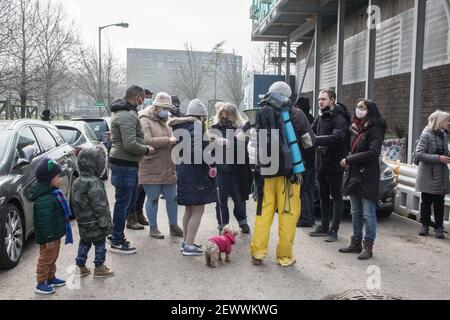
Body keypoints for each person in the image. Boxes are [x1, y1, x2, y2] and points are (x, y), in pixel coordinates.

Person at [251, 82, 315, 267]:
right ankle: (284, 257)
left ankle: (258, 253)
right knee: (288, 215)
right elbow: (310, 141)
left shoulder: (260, 112)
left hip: (265, 173)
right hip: (290, 174)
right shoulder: (296, 114)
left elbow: (250, 141)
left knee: (264, 214)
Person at [339, 99, 386, 260]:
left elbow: (373, 153)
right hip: (354, 175)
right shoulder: (356, 128)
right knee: (355, 211)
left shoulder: (376, 128)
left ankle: (368, 245)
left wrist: (349, 159)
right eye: (357, 107)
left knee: (368, 214)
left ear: (370, 110)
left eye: (362, 107)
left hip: (367, 176)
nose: (358, 109)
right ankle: (356, 241)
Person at [168, 99, 216, 256]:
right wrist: (210, 161)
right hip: (195, 172)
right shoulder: (195, 126)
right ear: (201, 116)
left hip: (184, 169)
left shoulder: (181, 126)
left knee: (189, 208)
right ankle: (189, 245)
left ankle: (185, 242)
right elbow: (198, 151)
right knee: (198, 209)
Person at [109, 85, 152, 254]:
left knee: (130, 200)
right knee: (123, 202)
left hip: (128, 164)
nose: (143, 102)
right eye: (143, 98)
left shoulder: (128, 113)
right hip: (123, 164)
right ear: (136, 98)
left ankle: (115, 233)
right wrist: (147, 150)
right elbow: (129, 144)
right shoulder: (127, 115)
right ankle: (117, 240)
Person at [139, 92, 183, 239]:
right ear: (156, 107)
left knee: (173, 198)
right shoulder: (144, 119)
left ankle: (173, 225)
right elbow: (146, 140)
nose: (166, 111)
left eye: (168, 108)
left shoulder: (167, 120)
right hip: (151, 166)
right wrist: (168, 140)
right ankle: (153, 227)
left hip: (168, 166)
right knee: (153, 199)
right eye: (164, 108)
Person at [309, 89, 351, 242]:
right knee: (323, 196)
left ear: (332, 100)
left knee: (336, 196)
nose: (320, 102)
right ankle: (324, 226)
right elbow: (311, 131)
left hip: (334, 163)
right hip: (320, 162)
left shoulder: (339, 116)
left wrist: (315, 140)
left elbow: (338, 137)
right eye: (319, 99)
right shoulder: (321, 116)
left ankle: (334, 230)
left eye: (324, 99)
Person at [29, 158, 72, 294]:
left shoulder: (52, 194)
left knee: (53, 257)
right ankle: (41, 282)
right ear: (49, 180)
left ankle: (51, 277)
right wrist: (49, 238)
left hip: (54, 235)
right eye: (58, 177)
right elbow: (45, 221)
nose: (60, 180)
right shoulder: (44, 199)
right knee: (46, 258)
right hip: (49, 236)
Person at [72, 147, 115, 277]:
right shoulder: (95, 183)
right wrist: (105, 223)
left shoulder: (77, 181)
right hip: (96, 222)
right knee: (100, 243)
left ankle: (80, 266)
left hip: (83, 222)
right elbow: (100, 205)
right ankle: (99, 267)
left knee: (84, 242)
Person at [211, 103, 252, 234]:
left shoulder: (240, 128)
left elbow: (242, 147)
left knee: (239, 198)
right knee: (220, 198)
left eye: (228, 115)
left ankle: (242, 221)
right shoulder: (214, 128)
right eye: (222, 115)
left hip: (237, 170)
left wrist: (231, 142)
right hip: (220, 169)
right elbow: (210, 148)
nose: (225, 118)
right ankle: (223, 224)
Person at [415, 110, 450, 239]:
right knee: (426, 201)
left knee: (439, 202)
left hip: (440, 173)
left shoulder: (444, 135)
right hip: (428, 174)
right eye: (447, 120)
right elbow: (419, 154)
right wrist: (438, 158)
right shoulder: (426, 135)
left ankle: (439, 228)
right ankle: (424, 225)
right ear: (439, 122)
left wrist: (445, 157)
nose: (449, 123)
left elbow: (444, 153)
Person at [128, 88, 154, 229]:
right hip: (137, 153)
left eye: (149, 97)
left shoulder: (146, 113)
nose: (148, 99)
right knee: (134, 189)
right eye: (146, 97)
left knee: (141, 188)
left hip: (142, 155)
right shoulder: (135, 114)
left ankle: (138, 212)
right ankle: (131, 216)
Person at [293, 96, 316, 228]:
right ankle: (310, 218)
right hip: (313, 159)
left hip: (304, 160)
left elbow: (304, 141)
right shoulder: (312, 118)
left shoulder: (299, 118)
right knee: (310, 190)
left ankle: (305, 218)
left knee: (303, 191)